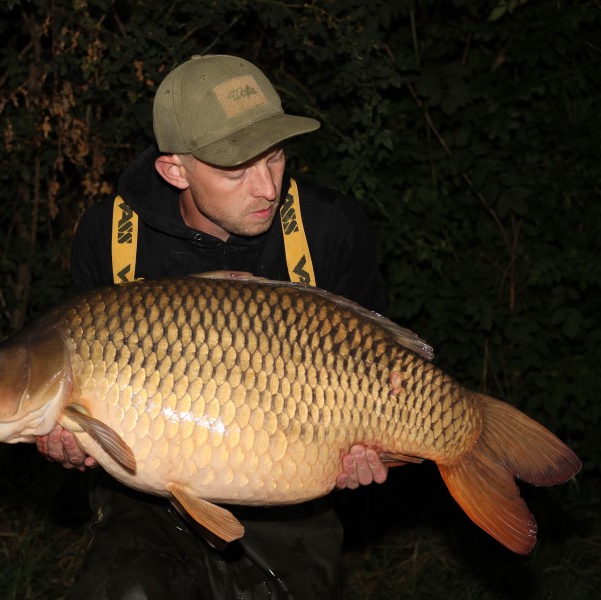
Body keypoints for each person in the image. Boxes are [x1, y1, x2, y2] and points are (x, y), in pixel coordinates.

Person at [37, 54, 390, 599]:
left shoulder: (328, 228)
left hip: (284, 488)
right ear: (175, 169)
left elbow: (377, 371)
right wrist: (61, 441)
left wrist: (366, 450)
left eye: (274, 158)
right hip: (146, 496)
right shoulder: (109, 236)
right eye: (236, 170)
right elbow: (76, 390)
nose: (267, 188)